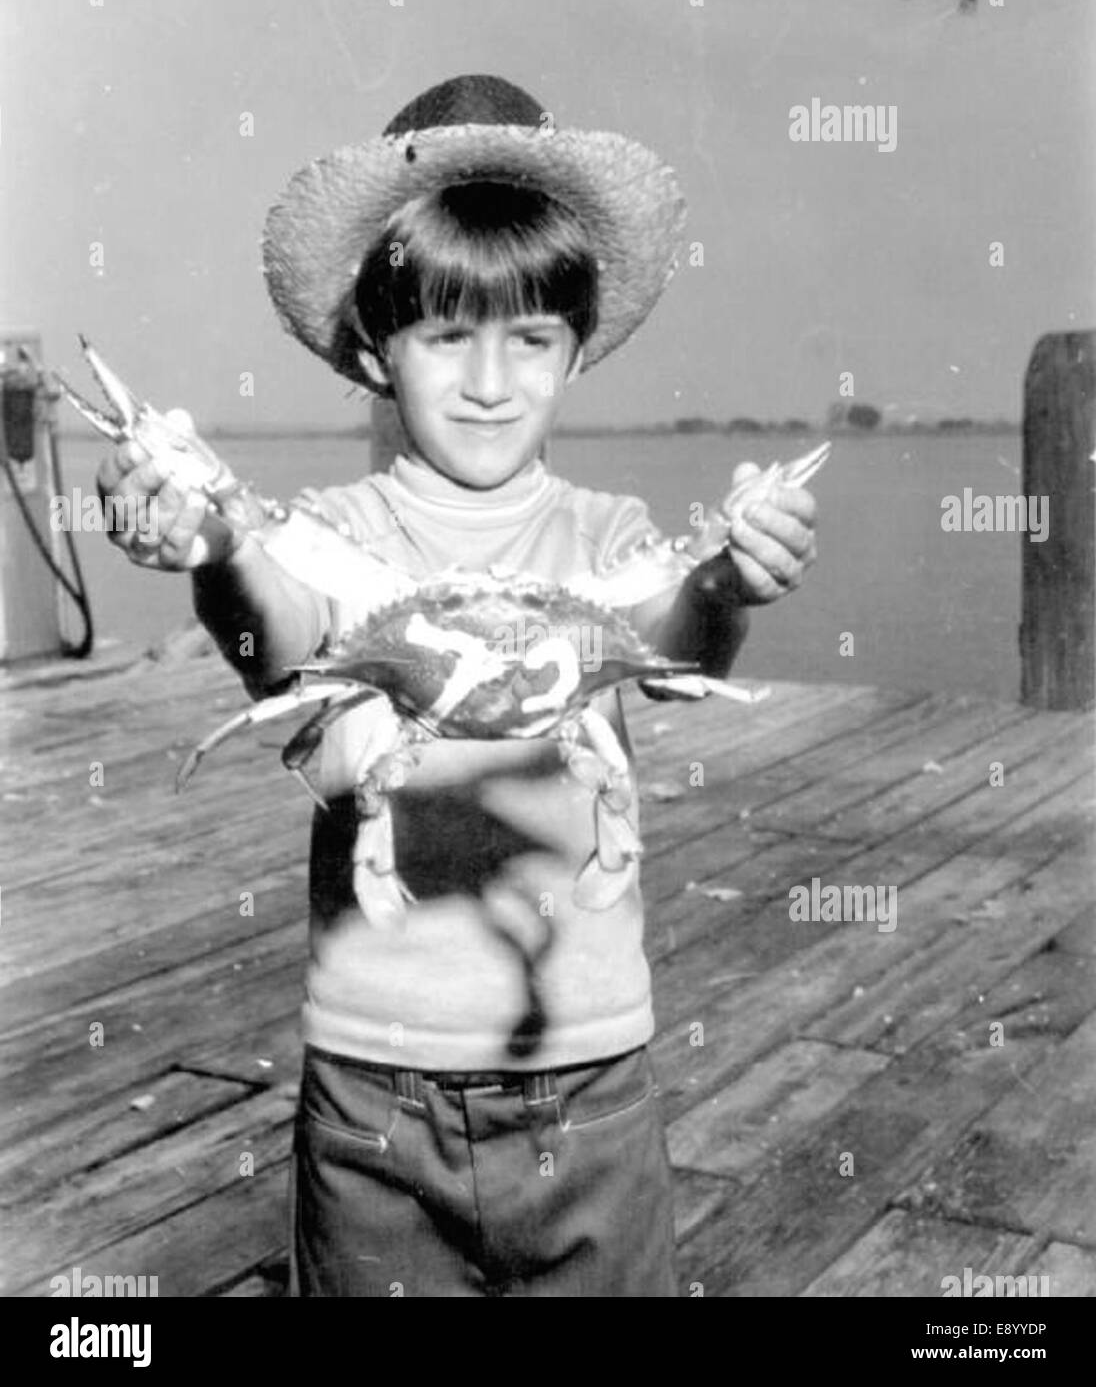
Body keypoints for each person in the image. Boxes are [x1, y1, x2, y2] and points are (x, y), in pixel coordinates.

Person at [97, 74, 817, 1297]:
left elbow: (681, 658)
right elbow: (281, 644)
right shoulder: (334, 533)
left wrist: (730, 579)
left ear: (575, 350)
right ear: (379, 350)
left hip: (591, 1085)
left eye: (530, 338)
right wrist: (213, 549)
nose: (489, 381)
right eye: (446, 335)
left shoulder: (607, 536)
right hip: (374, 1093)